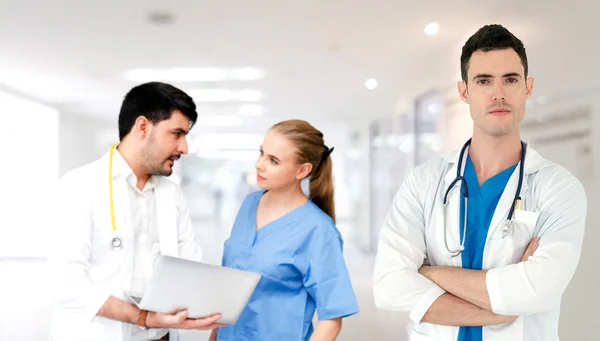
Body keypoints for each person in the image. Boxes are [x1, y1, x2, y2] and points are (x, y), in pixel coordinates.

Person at [372, 24, 587, 341]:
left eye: (510, 80)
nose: (498, 93)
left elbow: (538, 290)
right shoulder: (423, 182)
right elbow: (388, 286)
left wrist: (429, 272)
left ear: (527, 88)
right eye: (484, 81)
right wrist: (503, 306)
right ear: (464, 92)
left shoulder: (559, 188)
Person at [48, 82, 223, 341]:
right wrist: (143, 317)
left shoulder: (172, 194)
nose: (184, 148)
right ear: (143, 126)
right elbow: (67, 284)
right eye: (176, 134)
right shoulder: (80, 185)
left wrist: (217, 303)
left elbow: (191, 266)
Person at [210, 120, 359, 341]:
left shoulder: (318, 230)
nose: (260, 164)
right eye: (261, 153)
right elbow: (228, 290)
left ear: (302, 170)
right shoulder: (250, 204)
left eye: (273, 160)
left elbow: (331, 319)